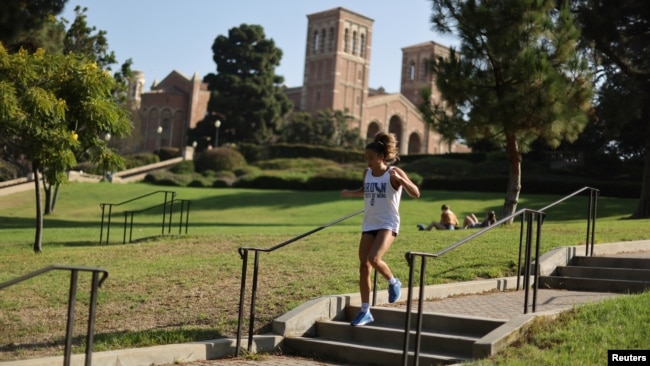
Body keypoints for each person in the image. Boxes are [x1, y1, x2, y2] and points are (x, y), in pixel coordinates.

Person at [340, 131, 420, 326]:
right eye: (366, 158)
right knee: (364, 266)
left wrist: (403, 181)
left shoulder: (393, 172)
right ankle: (365, 311)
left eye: (372, 158)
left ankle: (393, 282)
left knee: (374, 258)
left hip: (388, 223)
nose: (368, 162)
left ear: (382, 157)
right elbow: (366, 190)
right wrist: (351, 193)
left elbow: (416, 193)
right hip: (370, 223)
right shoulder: (367, 173)